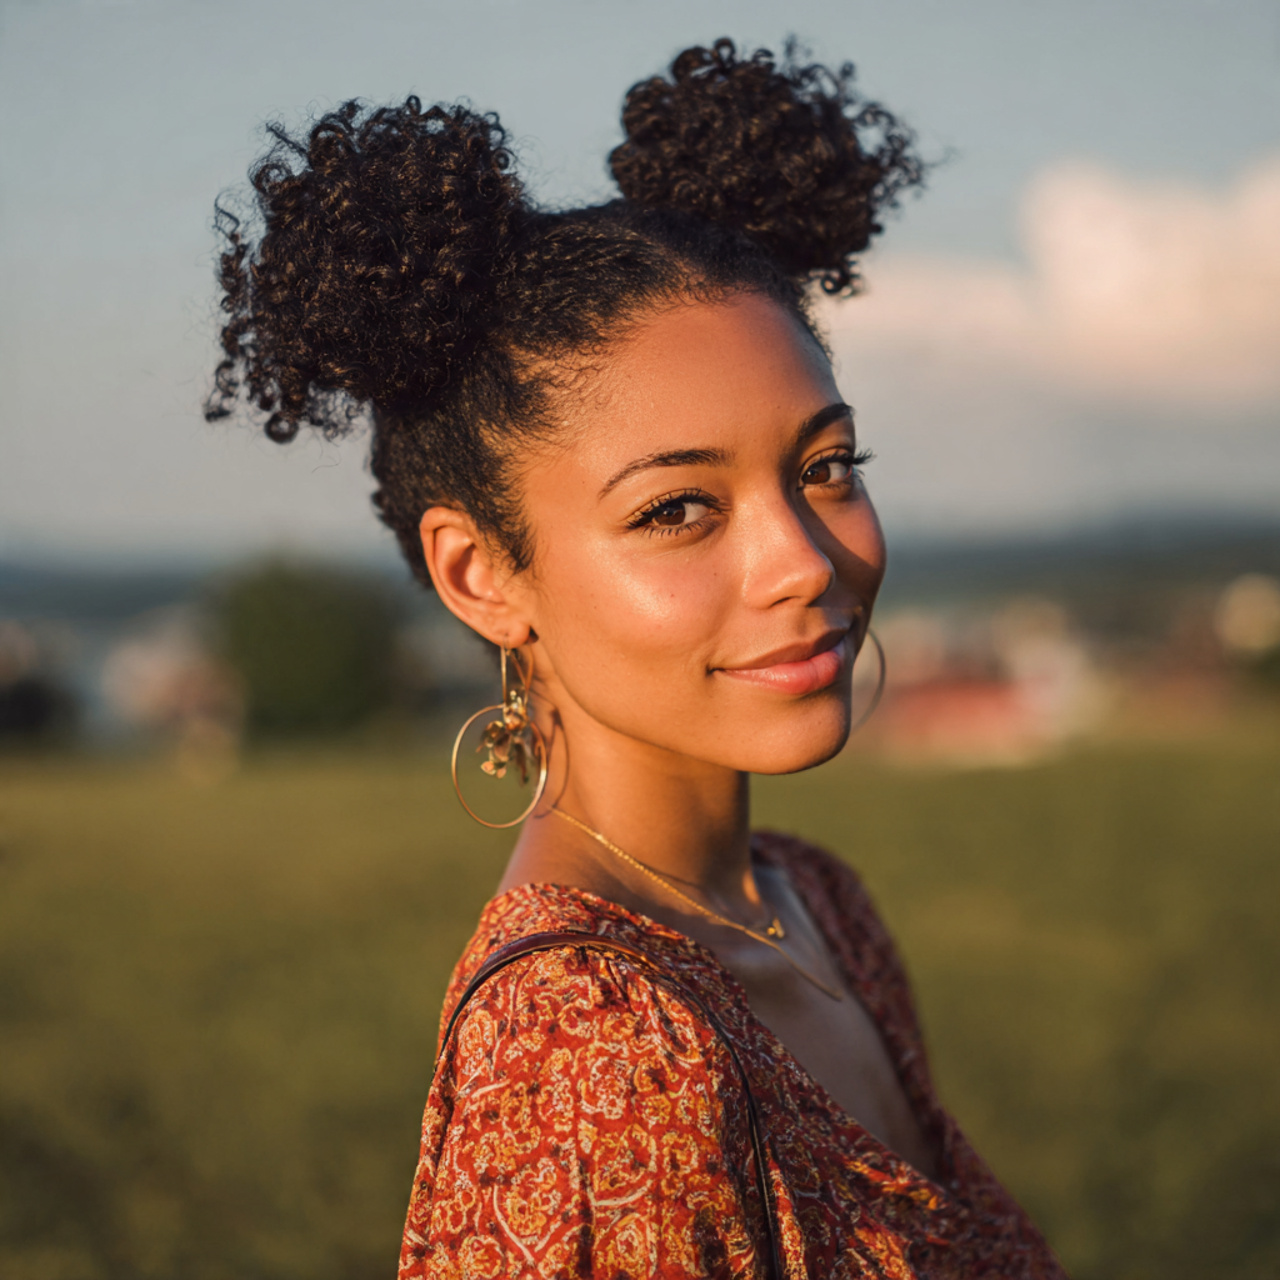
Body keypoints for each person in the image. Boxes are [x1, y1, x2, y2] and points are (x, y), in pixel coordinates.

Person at [207, 38, 1066, 1279]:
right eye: (676, 508)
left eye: (825, 466)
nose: (802, 560)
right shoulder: (589, 1047)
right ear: (480, 574)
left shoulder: (817, 906)